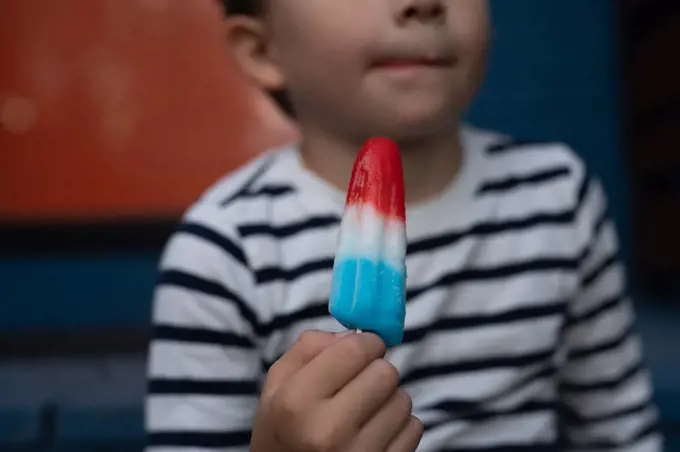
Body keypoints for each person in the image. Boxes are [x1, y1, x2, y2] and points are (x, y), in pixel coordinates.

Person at [145, 0, 662, 451]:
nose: (423, 3)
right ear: (262, 50)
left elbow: (619, 431)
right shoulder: (223, 249)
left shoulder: (560, 198)